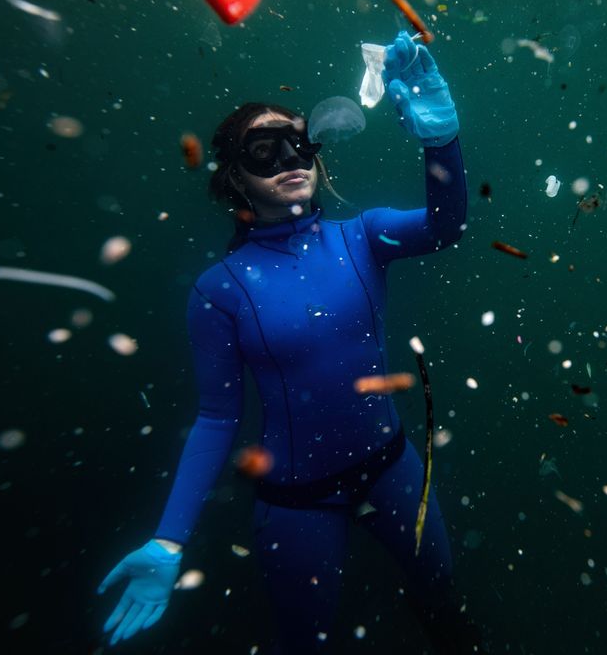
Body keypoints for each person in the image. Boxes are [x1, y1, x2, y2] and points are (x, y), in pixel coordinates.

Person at [97, 32, 477, 653]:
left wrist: (440, 135)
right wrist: (169, 539)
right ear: (235, 179)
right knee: (304, 640)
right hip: (297, 502)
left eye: (298, 144)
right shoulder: (218, 291)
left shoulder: (364, 236)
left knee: (440, 595)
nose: (290, 160)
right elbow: (217, 418)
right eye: (264, 151)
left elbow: (447, 225)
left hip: (392, 468)